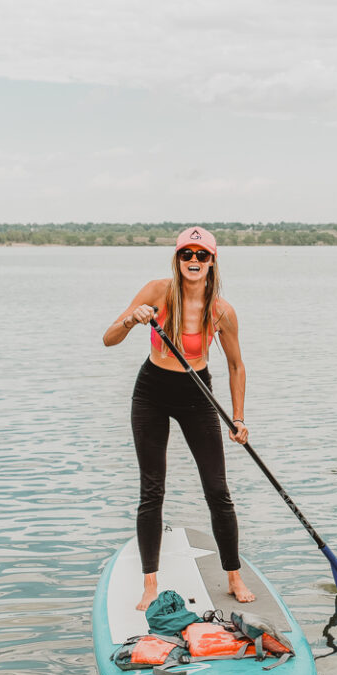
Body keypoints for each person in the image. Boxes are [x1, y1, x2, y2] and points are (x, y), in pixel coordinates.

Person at [103, 226, 254, 608]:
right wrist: (132, 319)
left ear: (212, 261)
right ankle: (150, 584)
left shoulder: (221, 311)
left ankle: (233, 576)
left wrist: (238, 418)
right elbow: (109, 338)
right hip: (151, 392)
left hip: (196, 394)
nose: (193, 260)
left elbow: (236, 366)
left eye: (202, 255)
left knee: (217, 490)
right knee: (152, 490)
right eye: (187, 254)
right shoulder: (157, 291)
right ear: (177, 259)